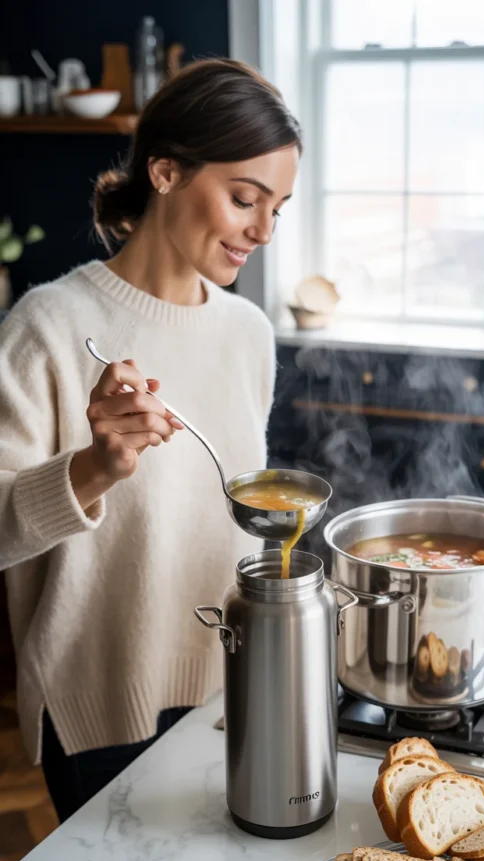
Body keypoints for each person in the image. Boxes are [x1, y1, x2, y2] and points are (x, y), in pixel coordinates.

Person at [0, 58, 301, 822]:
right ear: (165, 173)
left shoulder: (249, 332)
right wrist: (94, 468)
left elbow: (231, 525)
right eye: (245, 199)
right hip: (97, 712)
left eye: (278, 208)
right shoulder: (48, 325)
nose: (263, 231)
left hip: (234, 689)